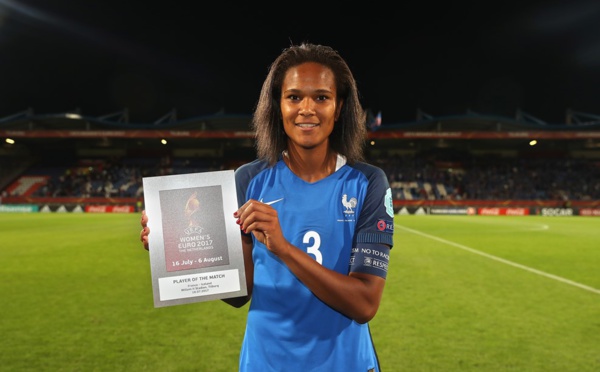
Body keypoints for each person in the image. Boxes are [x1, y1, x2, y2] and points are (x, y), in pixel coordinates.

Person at [140, 42, 395, 371]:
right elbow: (238, 293)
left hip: (346, 364)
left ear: (340, 106)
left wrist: (283, 248)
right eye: (293, 97)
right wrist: (173, 250)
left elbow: (364, 304)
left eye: (321, 97)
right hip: (266, 363)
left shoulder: (368, 183)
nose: (306, 109)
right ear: (278, 105)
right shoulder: (248, 180)